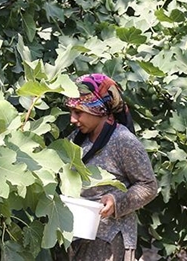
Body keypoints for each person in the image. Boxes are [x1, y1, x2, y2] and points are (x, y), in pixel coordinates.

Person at [62, 73, 158, 261]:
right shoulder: (76, 139)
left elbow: (149, 185)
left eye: (78, 112)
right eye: (71, 112)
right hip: (79, 238)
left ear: (97, 109)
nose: (72, 119)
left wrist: (116, 202)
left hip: (110, 243)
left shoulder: (123, 142)